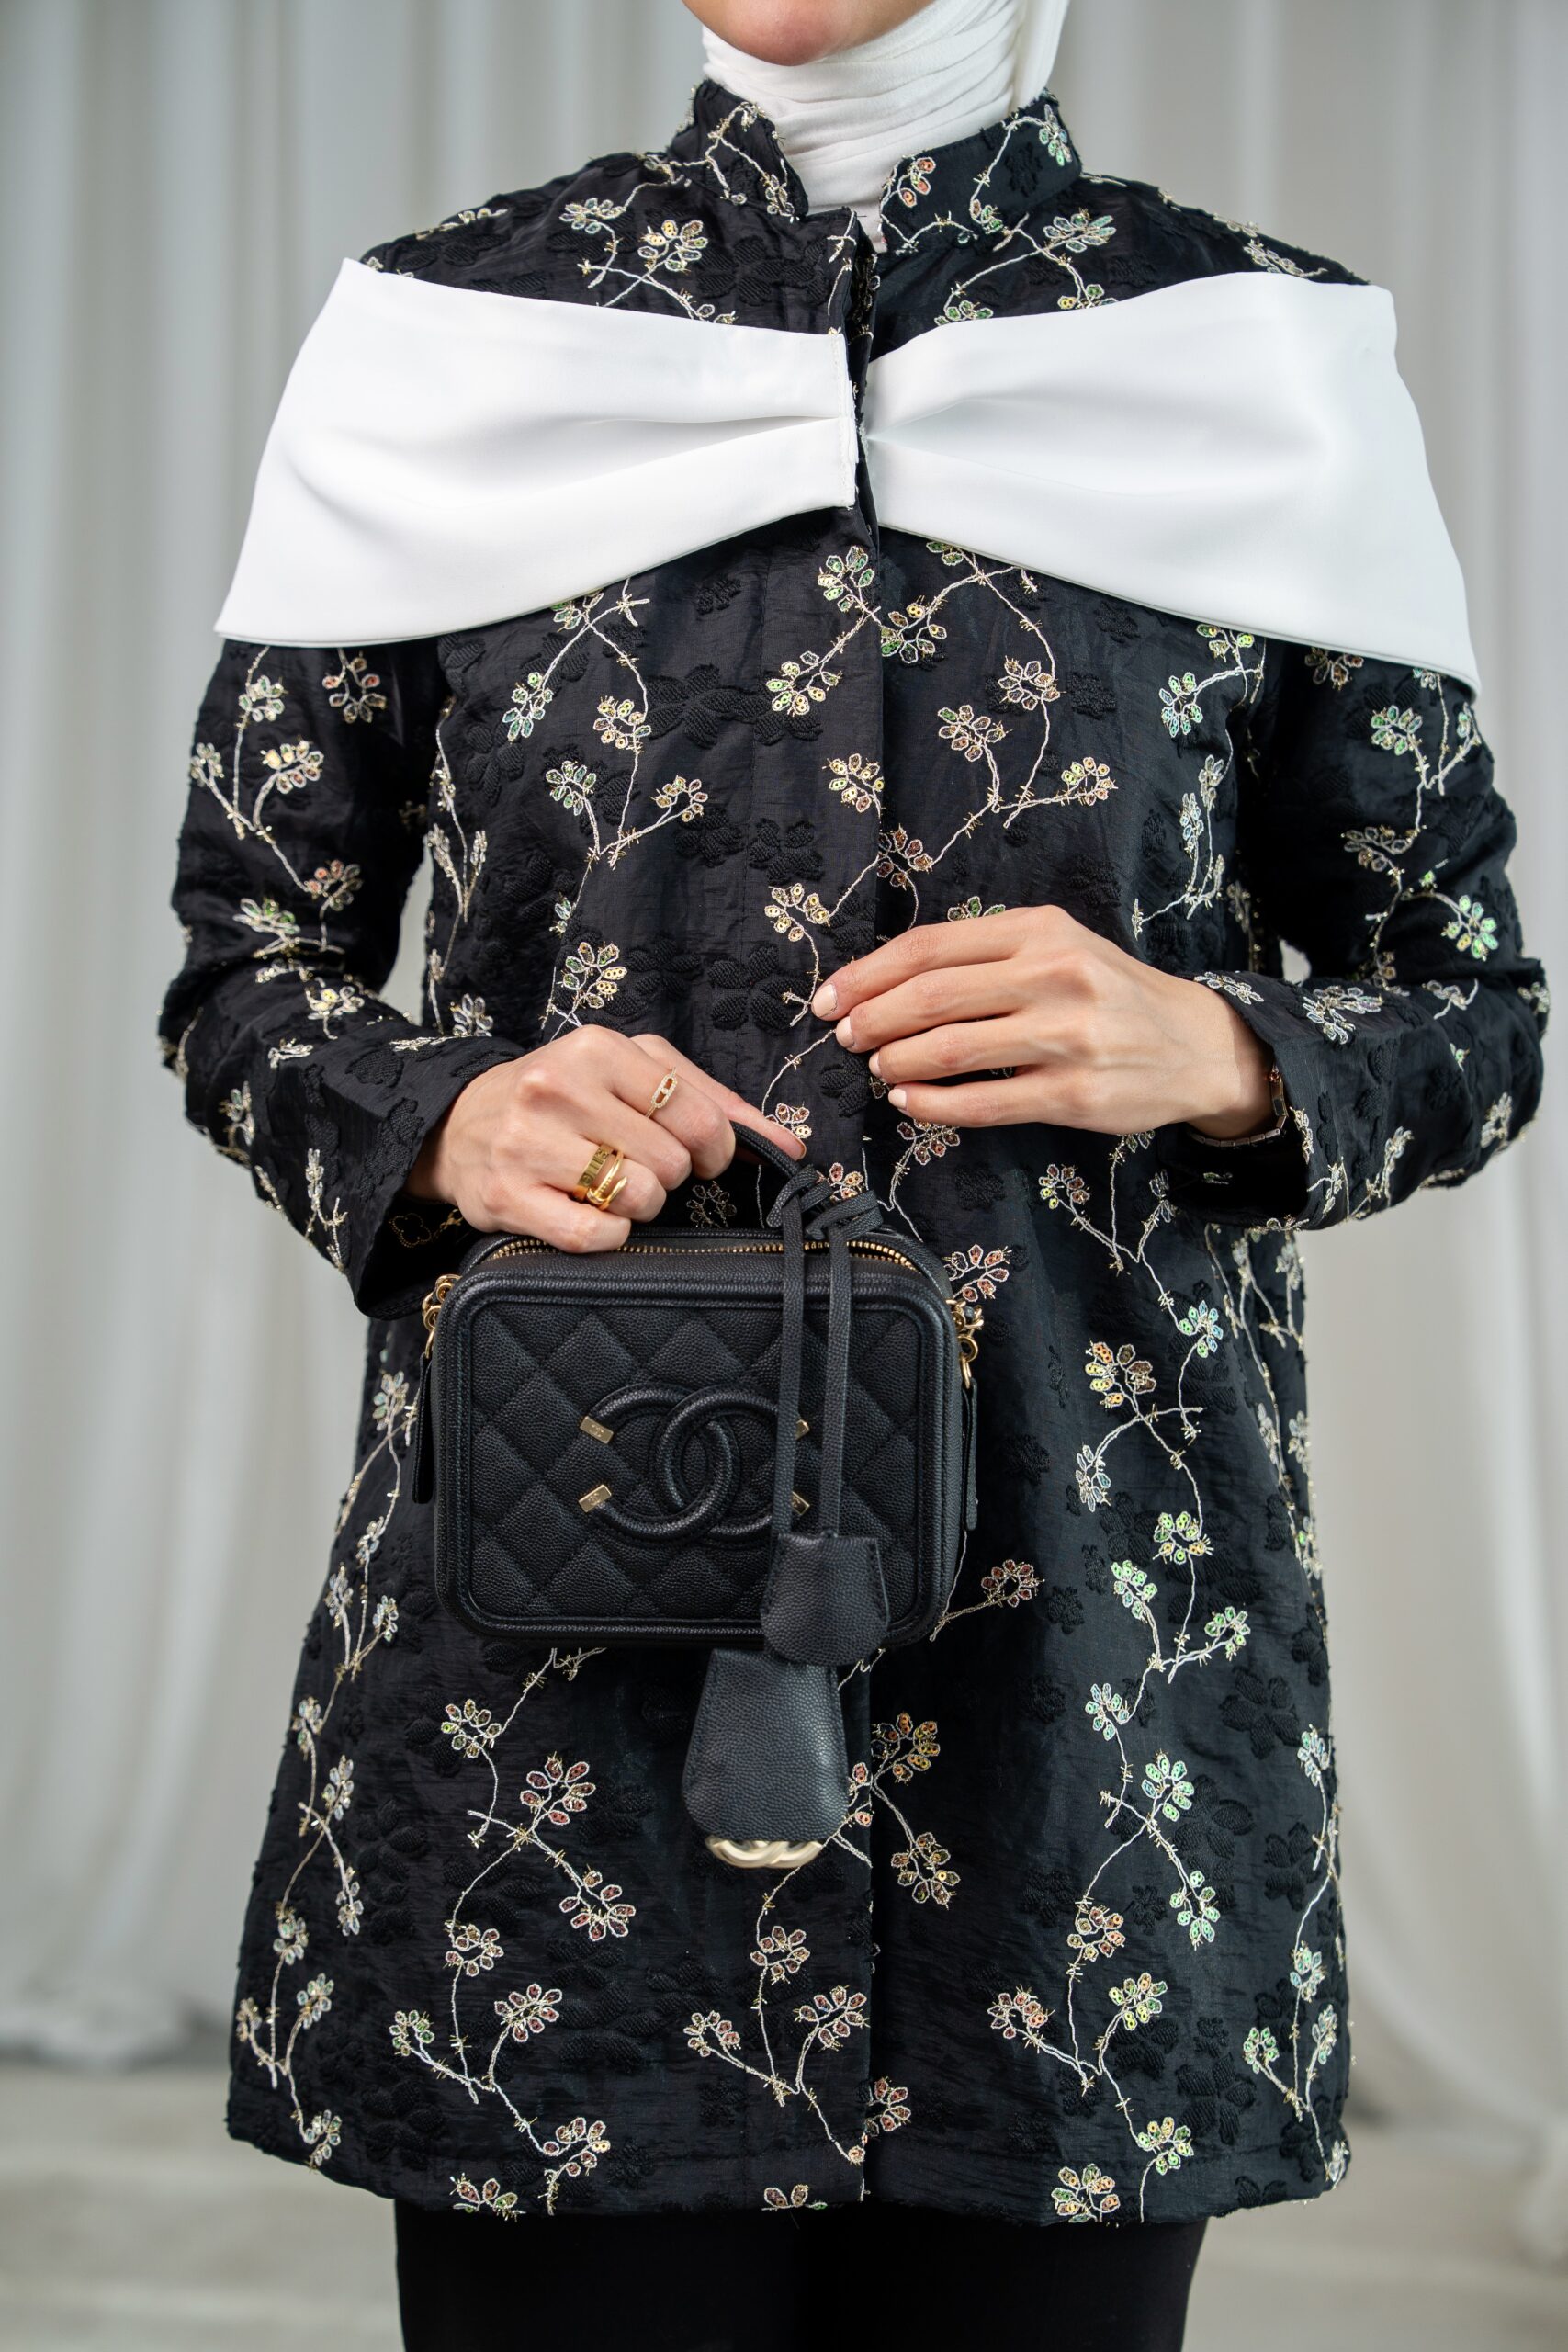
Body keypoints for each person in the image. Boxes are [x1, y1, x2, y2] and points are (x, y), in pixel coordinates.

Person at [158, 1, 1547, 2345]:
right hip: (551, 1689)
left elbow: (1469, 1008)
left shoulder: (1250, 353)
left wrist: (1217, 1045)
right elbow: (245, 970)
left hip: (1080, 1701)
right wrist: (440, 1112)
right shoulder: (452, 337)